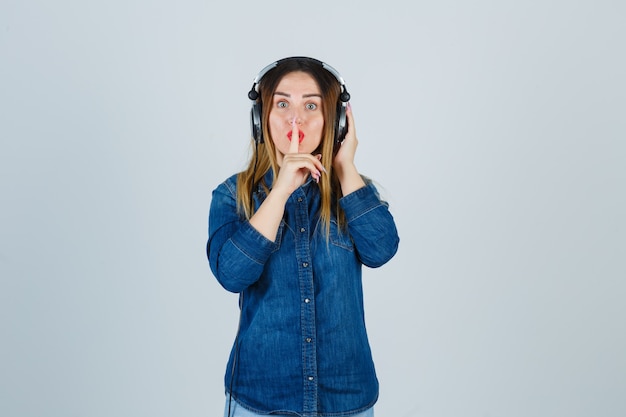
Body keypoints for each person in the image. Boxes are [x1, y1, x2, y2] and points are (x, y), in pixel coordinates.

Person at [207, 57, 399, 417]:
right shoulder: (232, 195)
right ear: (260, 119)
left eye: (311, 105)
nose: (296, 119)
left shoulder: (354, 192)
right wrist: (279, 193)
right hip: (261, 400)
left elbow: (382, 249)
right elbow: (231, 275)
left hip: (345, 401)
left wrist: (345, 167)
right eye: (282, 104)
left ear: (336, 121)